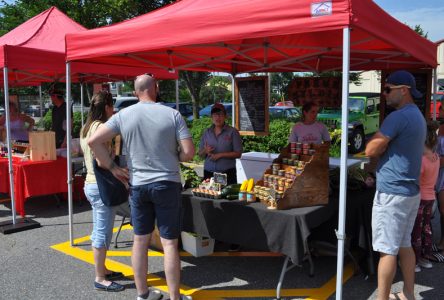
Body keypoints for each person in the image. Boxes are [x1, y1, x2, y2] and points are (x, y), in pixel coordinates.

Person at [88, 74, 195, 300]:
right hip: (167, 183)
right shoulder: (172, 114)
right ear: (155, 88)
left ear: (136, 92)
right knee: (169, 243)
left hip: (138, 186)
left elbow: (93, 141)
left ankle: (143, 294)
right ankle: (175, 297)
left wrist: (112, 167)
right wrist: (172, 153)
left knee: (140, 240)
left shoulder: (124, 115)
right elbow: (189, 153)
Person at [365, 70, 426, 300]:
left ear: (404, 90)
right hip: (410, 192)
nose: (384, 94)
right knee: (404, 245)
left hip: (392, 193)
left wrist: (375, 142)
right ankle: (408, 293)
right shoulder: (417, 116)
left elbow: (371, 149)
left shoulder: (398, 117)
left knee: (387, 250)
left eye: (388, 89)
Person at [79, 91, 125, 292]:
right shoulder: (101, 128)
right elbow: (102, 161)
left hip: (90, 183)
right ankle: (100, 277)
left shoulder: (86, 127)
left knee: (99, 227)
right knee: (102, 232)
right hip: (101, 185)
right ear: (106, 107)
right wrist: (116, 167)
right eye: (111, 106)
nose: (113, 110)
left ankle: (103, 269)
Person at [411, 122, 439, 273]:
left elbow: (415, 179)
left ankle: (413, 261)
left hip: (419, 198)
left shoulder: (421, 160)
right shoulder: (435, 157)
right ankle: (425, 257)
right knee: (426, 228)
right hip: (431, 198)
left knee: (416, 229)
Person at [198, 103, 243, 185]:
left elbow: (238, 153)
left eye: (220, 114)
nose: (218, 117)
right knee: (208, 196)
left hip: (227, 173)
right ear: (211, 117)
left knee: (226, 196)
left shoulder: (232, 132)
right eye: (215, 115)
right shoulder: (206, 133)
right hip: (209, 173)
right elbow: (200, 155)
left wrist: (220, 155)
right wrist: (205, 150)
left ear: (225, 116)